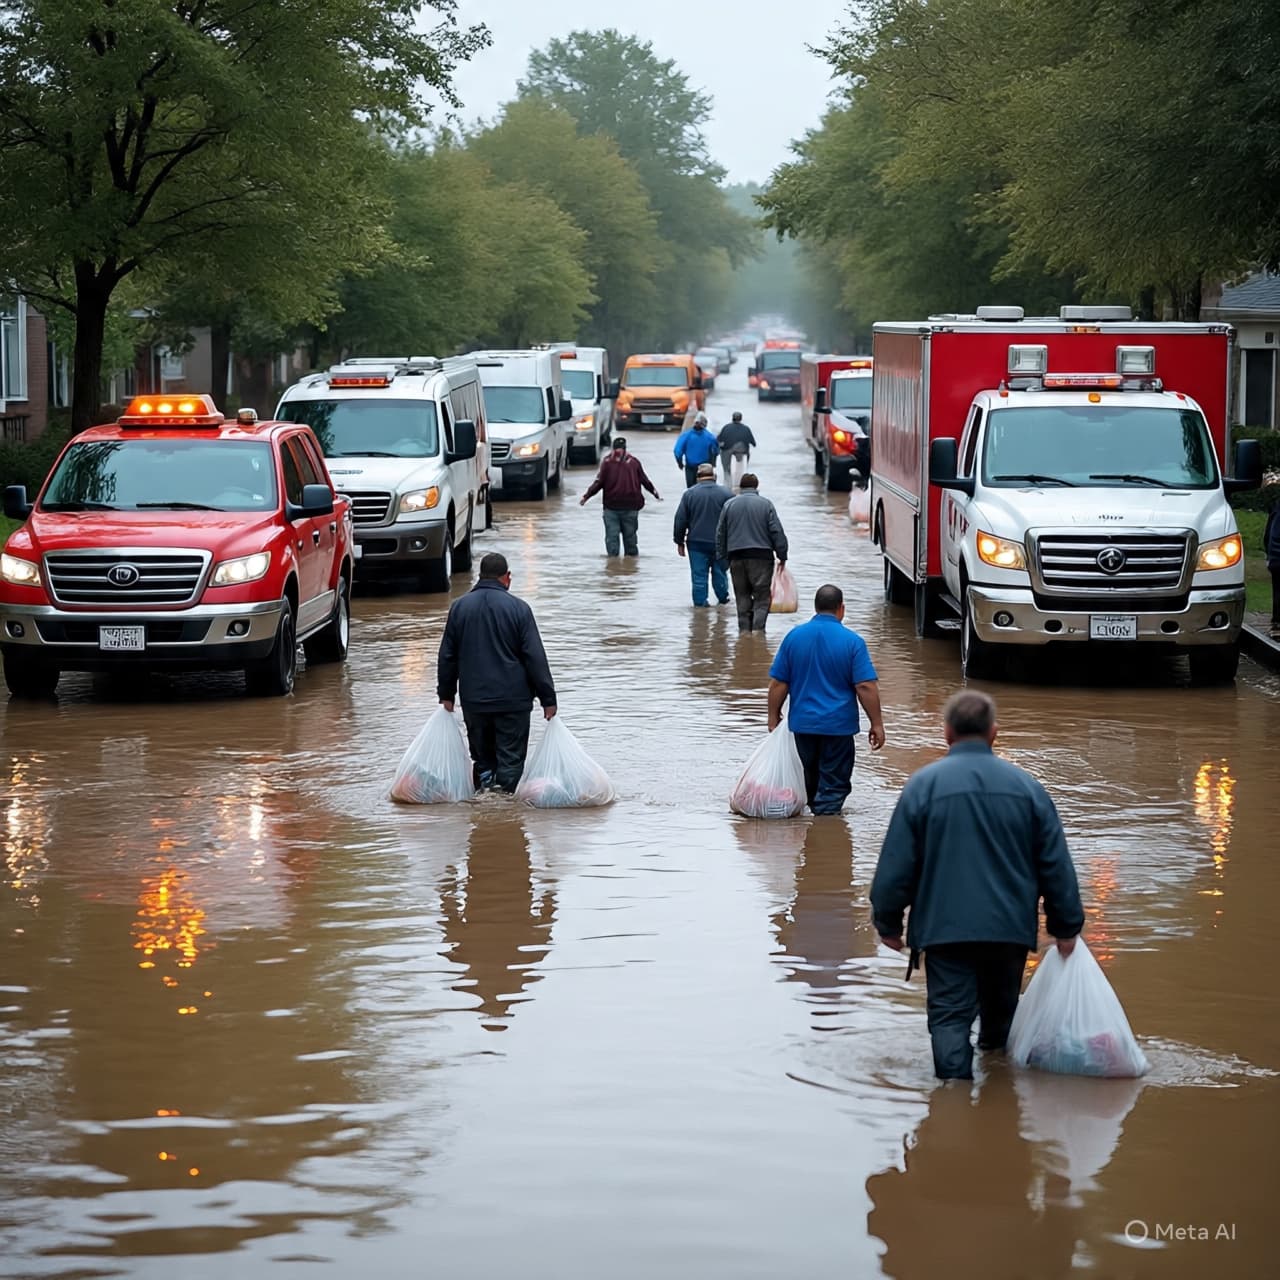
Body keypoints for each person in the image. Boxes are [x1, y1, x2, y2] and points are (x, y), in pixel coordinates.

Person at [869, 690, 1085, 1081]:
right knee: (1001, 1020)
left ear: (947, 733)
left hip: (944, 931)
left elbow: (897, 864)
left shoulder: (923, 787)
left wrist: (887, 922)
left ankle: (954, 1104)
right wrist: (1066, 926)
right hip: (1008, 931)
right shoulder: (1028, 789)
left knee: (950, 1018)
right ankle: (999, 1106)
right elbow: (1054, 864)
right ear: (994, 733)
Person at [437, 552, 557, 793]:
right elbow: (534, 657)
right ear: (507, 578)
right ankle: (503, 810)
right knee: (510, 759)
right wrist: (548, 699)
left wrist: (447, 694)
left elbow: (447, 656)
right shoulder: (519, 609)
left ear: (480, 576)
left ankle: (484, 804)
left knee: (482, 759)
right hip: (513, 702)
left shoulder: (459, 608)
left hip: (475, 702)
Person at [767, 584, 885, 814]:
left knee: (809, 781)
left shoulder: (794, 637)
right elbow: (865, 686)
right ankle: (825, 836)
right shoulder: (852, 642)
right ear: (841, 609)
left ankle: (814, 835)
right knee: (833, 787)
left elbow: (779, 683)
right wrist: (877, 724)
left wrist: (773, 716)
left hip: (803, 727)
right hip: (837, 729)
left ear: (815, 607)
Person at [715, 472, 788, 633]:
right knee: (762, 598)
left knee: (742, 596)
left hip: (736, 557)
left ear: (741, 487)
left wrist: (722, 557)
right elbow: (776, 531)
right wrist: (782, 554)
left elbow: (720, 532)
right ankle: (758, 633)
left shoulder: (729, 505)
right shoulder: (766, 504)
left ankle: (744, 634)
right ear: (756, 487)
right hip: (761, 558)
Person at [579, 436, 661, 556]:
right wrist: (655, 493)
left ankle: (614, 568)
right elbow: (644, 480)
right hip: (629, 506)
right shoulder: (633, 462)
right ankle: (629, 569)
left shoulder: (607, 462)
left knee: (613, 541)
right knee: (630, 541)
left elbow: (599, 483)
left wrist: (586, 497)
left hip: (613, 507)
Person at [672, 462, 732, 606]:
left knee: (699, 576)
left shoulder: (689, 494)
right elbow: (734, 519)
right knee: (720, 573)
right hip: (721, 544)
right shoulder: (726, 494)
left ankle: (700, 607)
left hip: (696, 543)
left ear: (698, 477)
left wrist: (679, 541)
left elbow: (680, 519)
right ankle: (723, 600)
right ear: (714, 476)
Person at [673, 413, 721, 488]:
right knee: (704, 489)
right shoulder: (710, 437)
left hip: (690, 467)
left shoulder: (686, 435)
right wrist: (713, 462)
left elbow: (677, 451)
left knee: (691, 490)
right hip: (705, 469)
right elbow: (716, 450)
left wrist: (680, 463)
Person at [717, 411, 757, 486]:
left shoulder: (726, 427)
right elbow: (753, 443)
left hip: (727, 451)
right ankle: (742, 477)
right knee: (744, 460)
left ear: (732, 418)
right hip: (742, 452)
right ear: (741, 419)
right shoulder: (746, 429)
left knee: (726, 466)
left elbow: (718, 440)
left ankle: (727, 475)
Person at [1266, 501, 1280, 638]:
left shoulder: (1276, 508)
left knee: (1277, 591)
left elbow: (1268, 534)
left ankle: (1276, 624)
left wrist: (1268, 554)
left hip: (1275, 556)